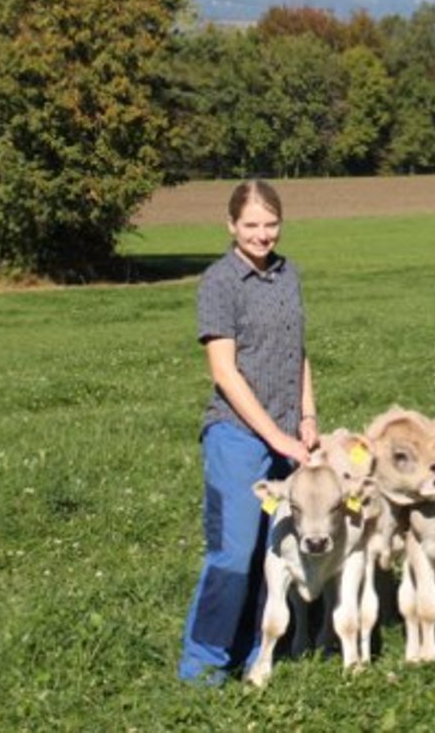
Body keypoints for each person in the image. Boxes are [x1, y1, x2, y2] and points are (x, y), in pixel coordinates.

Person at [178, 179, 319, 685]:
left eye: (271, 224)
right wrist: (275, 438)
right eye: (252, 225)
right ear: (232, 226)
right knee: (233, 554)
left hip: (288, 436)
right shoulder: (219, 282)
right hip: (238, 437)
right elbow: (225, 372)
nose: (263, 235)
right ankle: (204, 667)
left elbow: (297, 352)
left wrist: (307, 418)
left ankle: (259, 653)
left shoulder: (288, 275)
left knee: (273, 552)